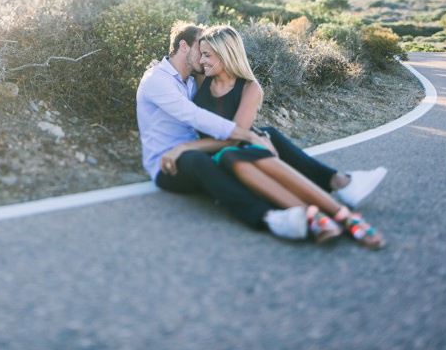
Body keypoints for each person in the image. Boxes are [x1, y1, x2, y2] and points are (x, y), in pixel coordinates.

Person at [137, 21, 386, 247]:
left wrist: (252, 134)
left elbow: (225, 115)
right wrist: (246, 136)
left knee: (263, 136)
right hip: (168, 163)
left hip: (204, 149)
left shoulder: (194, 80)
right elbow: (194, 116)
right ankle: (271, 216)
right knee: (220, 155)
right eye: (200, 52)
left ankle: (336, 185)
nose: (203, 60)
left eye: (208, 54)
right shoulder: (158, 80)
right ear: (184, 46)